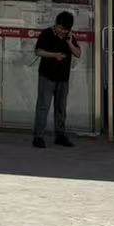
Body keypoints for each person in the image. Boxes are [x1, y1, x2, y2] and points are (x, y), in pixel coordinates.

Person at [33, 11, 78, 148]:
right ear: (56, 24)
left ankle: (60, 135)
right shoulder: (46, 33)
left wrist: (69, 43)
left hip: (63, 78)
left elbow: (78, 53)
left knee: (61, 108)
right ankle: (38, 136)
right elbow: (38, 51)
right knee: (43, 106)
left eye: (66, 30)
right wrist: (54, 55)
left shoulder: (69, 37)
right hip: (47, 76)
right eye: (61, 28)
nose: (63, 31)